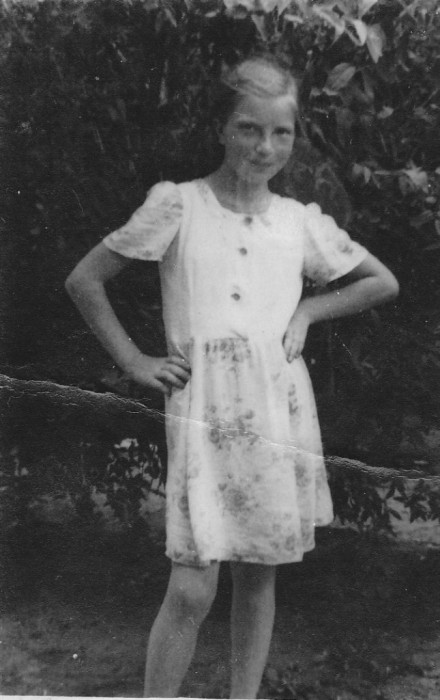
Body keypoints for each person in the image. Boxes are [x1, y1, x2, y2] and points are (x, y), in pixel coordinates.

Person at [65, 55, 399, 699]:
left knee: (258, 573)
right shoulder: (180, 206)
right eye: (248, 128)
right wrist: (134, 360)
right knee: (193, 586)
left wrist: (307, 310)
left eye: (281, 132)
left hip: (275, 411)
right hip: (204, 409)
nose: (264, 146)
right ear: (221, 127)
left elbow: (380, 282)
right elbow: (85, 280)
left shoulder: (297, 221)